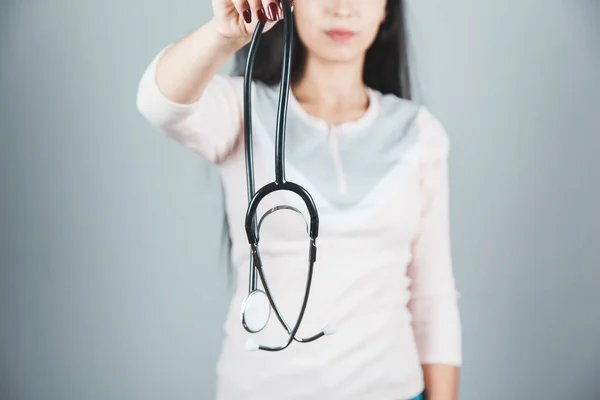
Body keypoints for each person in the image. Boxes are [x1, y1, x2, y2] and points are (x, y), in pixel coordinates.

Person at [136, 0, 462, 399]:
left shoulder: (419, 133)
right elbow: (157, 104)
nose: (342, 8)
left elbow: (434, 296)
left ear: (387, 9)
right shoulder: (243, 110)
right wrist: (223, 34)